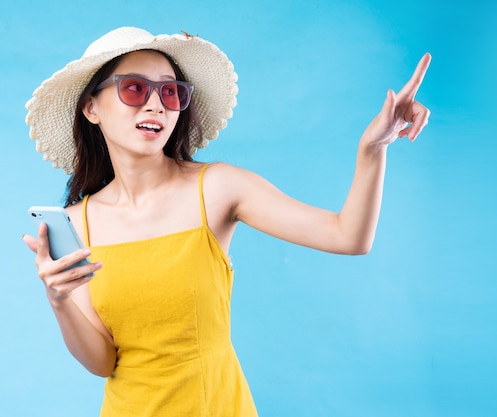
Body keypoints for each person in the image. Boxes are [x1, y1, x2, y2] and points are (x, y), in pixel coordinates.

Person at [22, 26, 431, 417]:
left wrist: (372, 149)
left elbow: (348, 236)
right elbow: (103, 361)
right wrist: (58, 300)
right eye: (134, 88)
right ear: (91, 107)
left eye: (170, 91)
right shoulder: (75, 224)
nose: (155, 104)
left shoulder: (217, 188)